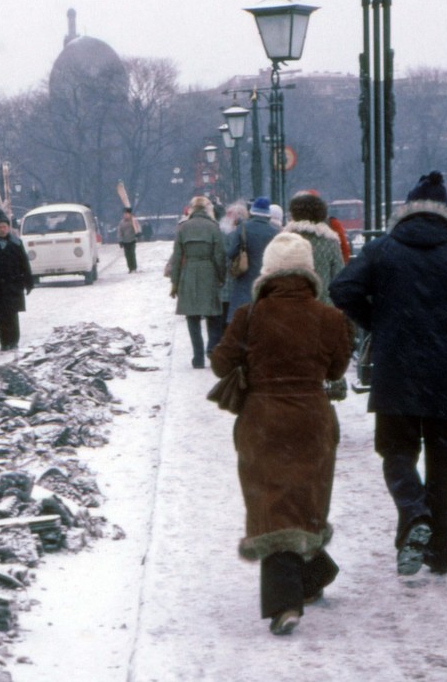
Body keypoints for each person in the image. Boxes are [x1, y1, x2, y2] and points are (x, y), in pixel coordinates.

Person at [330, 171, 447, 576]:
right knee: (443, 462)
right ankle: (443, 552)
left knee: (396, 452)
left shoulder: (382, 249)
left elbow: (342, 290)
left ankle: (413, 511)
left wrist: (379, 320)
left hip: (396, 368)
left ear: (406, 211)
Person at [211, 232, 352, 636]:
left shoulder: (249, 315)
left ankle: (284, 603)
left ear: (267, 272)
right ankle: (313, 575)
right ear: (309, 272)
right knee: (305, 499)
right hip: (312, 419)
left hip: (263, 420)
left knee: (272, 503)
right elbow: (336, 370)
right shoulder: (329, 317)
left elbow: (222, 364)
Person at [169, 195, 226, 368]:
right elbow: (219, 256)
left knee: (192, 317)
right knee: (213, 315)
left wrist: (175, 282)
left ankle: (198, 357)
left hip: (189, 272)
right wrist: (221, 276)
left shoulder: (183, 228)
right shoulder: (214, 227)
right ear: (208, 209)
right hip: (208, 271)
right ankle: (212, 350)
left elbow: (177, 257)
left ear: (192, 209)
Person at [282, 193, 344, 304]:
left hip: (290, 306)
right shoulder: (330, 242)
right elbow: (339, 279)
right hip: (322, 307)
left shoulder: (284, 240)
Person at [226, 196, 280, 323]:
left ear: (252, 211)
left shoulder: (243, 227)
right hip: (266, 280)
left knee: (243, 318)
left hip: (245, 279)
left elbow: (231, 253)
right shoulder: (275, 232)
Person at [0, 212, 33, 351]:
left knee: (12, 314)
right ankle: (4, 341)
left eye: (4, 227)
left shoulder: (16, 243)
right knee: (0, 316)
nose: (2, 229)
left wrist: (28, 282)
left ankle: (13, 340)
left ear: (8, 228)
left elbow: (24, 263)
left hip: (13, 285)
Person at [117, 208, 141, 272]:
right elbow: (120, 232)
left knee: (132, 254)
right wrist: (120, 240)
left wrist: (138, 233)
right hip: (125, 241)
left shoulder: (133, 221)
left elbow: (138, 227)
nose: (125, 215)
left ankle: (134, 267)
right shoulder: (121, 223)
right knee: (127, 255)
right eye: (124, 214)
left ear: (130, 214)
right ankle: (130, 268)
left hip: (132, 240)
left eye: (127, 214)